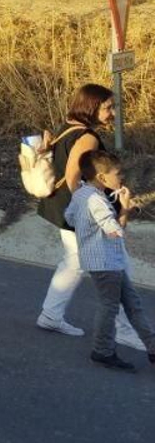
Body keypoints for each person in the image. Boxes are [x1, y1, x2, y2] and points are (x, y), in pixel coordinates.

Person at [35, 84, 144, 346]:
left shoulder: (68, 125)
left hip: (61, 207)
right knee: (115, 266)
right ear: (92, 106)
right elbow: (73, 177)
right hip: (80, 212)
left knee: (74, 262)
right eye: (108, 107)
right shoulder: (88, 137)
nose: (113, 113)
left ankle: (51, 315)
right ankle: (124, 330)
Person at [66, 150, 155, 371]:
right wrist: (124, 209)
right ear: (102, 177)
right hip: (105, 262)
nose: (121, 177)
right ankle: (102, 350)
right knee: (110, 306)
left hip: (107, 261)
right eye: (118, 173)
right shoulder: (96, 200)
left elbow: (69, 217)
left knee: (132, 303)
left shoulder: (81, 194)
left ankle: (152, 348)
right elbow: (115, 231)